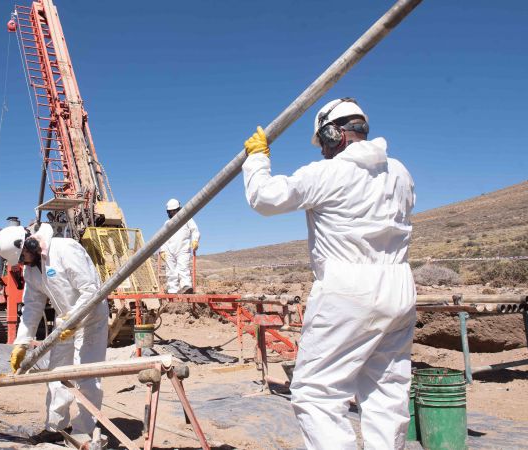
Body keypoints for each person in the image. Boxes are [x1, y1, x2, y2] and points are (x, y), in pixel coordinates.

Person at [242, 98, 416, 449]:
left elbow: (265, 198)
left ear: (333, 133)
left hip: (348, 288)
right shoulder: (400, 172)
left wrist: (257, 158)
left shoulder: (326, 173)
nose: (322, 151)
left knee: (317, 393)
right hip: (399, 285)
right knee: (387, 391)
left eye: (322, 142)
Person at [2, 223, 108, 438]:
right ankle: (55, 427)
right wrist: (21, 342)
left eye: (23, 257)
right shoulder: (31, 269)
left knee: (86, 376)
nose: (23, 263)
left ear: (29, 244)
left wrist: (74, 319)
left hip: (91, 319)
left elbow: (91, 291)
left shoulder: (64, 249)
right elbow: (32, 305)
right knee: (57, 375)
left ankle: (83, 431)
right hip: (64, 323)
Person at [159, 199, 200, 294]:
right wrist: (162, 250)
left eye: (174, 211)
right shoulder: (167, 223)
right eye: (171, 211)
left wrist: (195, 240)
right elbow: (163, 238)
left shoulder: (187, 219)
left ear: (179, 210)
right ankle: (172, 290)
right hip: (169, 250)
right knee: (170, 271)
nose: (173, 213)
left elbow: (195, 230)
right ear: (168, 212)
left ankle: (186, 286)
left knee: (183, 268)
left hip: (183, 248)